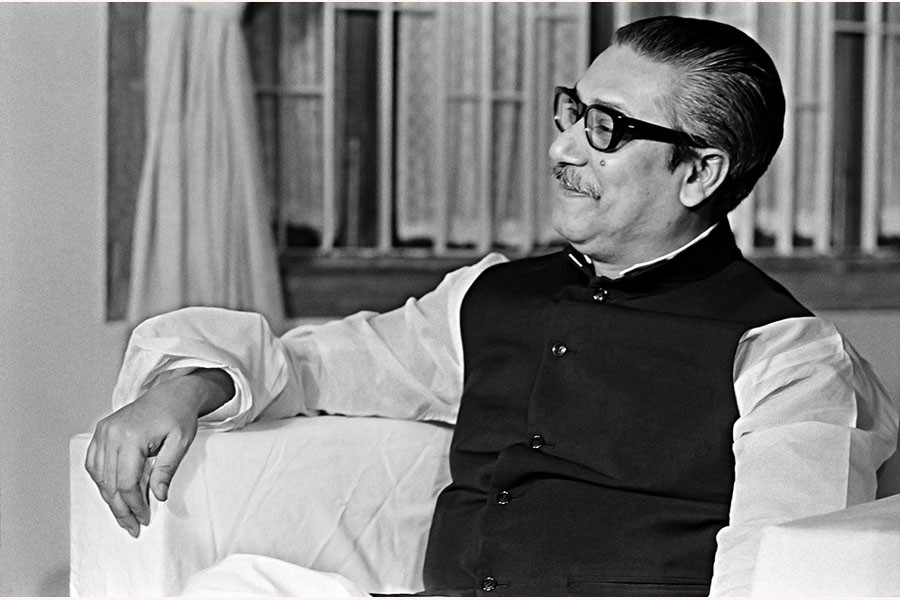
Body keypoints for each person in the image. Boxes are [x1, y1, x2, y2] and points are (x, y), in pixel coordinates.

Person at [86, 15, 898, 597]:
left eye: (606, 128)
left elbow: (785, 575)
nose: (560, 147)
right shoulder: (488, 297)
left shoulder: (788, 356)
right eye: (572, 111)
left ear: (700, 173)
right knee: (235, 586)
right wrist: (184, 387)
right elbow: (314, 365)